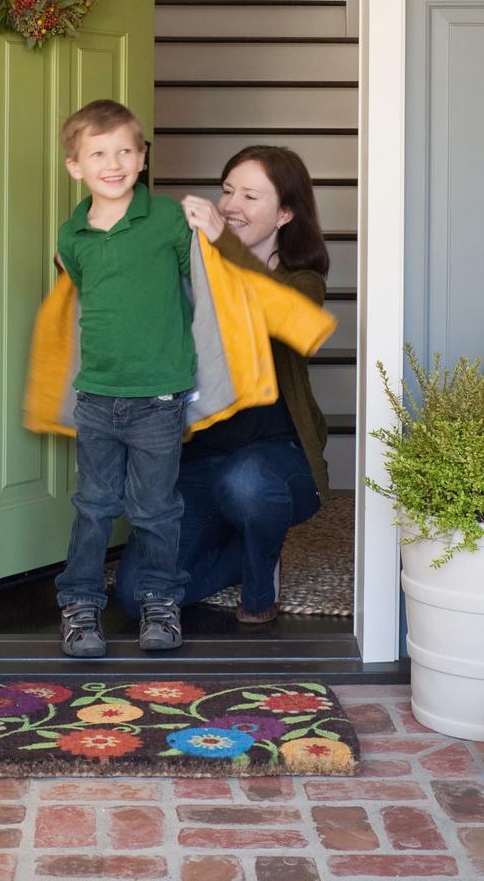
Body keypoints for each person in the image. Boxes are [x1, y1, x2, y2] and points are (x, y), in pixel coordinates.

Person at [115, 145, 330, 624]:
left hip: (277, 458)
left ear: (285, 214)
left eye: (251, 196)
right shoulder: (190, 268)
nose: (231, 205)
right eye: (228, 190)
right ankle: (248, 546)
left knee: (248, 484)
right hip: (201, 457)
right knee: (138, 596)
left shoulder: (303, 281)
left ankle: (260, 588)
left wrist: (223, 246)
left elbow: (283, 314)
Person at [53, 99, 195, 658]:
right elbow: (81, 295)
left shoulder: (166, 220)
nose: (112, 163)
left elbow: (207, 287)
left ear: (141, 158)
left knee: (156, 508)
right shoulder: (73, 237)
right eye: (98, 153)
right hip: (96, 396)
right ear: (76, 167)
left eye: (124, 151)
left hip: (159, 396)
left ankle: (160, 601)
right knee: (93, 504)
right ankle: (80, 603)